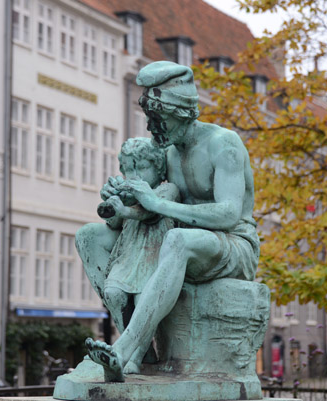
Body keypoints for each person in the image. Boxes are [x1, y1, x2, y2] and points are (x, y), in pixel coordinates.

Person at [76, 61, 260, 382]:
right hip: (178, 243)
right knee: (89, 237)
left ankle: (124, 349)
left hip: (232, 246)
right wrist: (121, 198)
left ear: (180, 113)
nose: (149, 127)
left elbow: (229, 214)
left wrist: (156, 202)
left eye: (156, 118)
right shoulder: (169, 152)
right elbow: (149, 209)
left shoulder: (224, 144)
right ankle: (140, 357)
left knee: (177, 240)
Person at [98, 137, 179, 374]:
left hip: (154, 255)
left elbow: (150, 213)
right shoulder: (129, 193)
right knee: (113, 293)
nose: (135, 175)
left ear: (158, 168)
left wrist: (126, 208)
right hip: (129, 255)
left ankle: (135, 358)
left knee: (144, 300)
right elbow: (113, 223)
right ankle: (139, 350)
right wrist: (112, 202)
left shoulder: (167, 189)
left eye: (142, 168)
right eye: (129, 169)